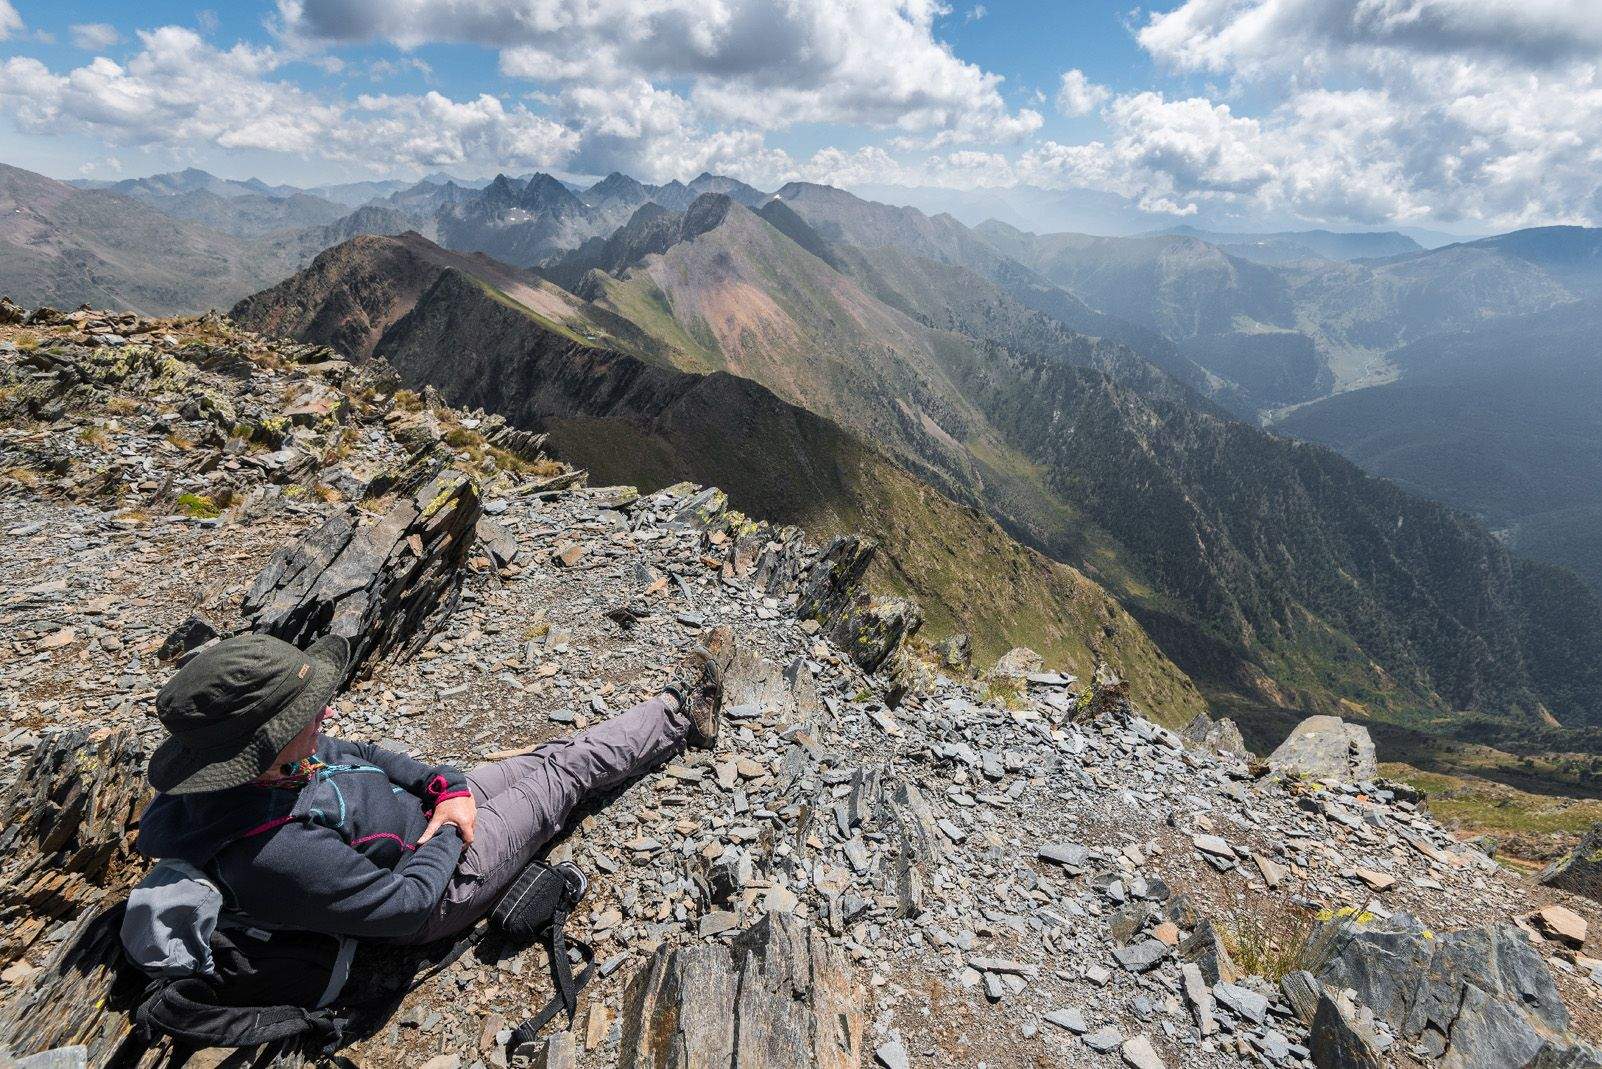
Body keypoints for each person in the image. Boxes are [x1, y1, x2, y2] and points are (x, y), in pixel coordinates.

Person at [134, 627, 731, 945]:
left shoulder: (280, 764)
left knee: (552, 758)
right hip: (440, 882)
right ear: (259, 746)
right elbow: (405, 908)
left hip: (428, 813)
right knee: (563, 774)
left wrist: (442, 785)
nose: (323, 718)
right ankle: (680, 716)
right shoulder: (273, 851)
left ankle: (664, 717)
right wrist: (448, 831)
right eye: (305, 715)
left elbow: (360, 752)